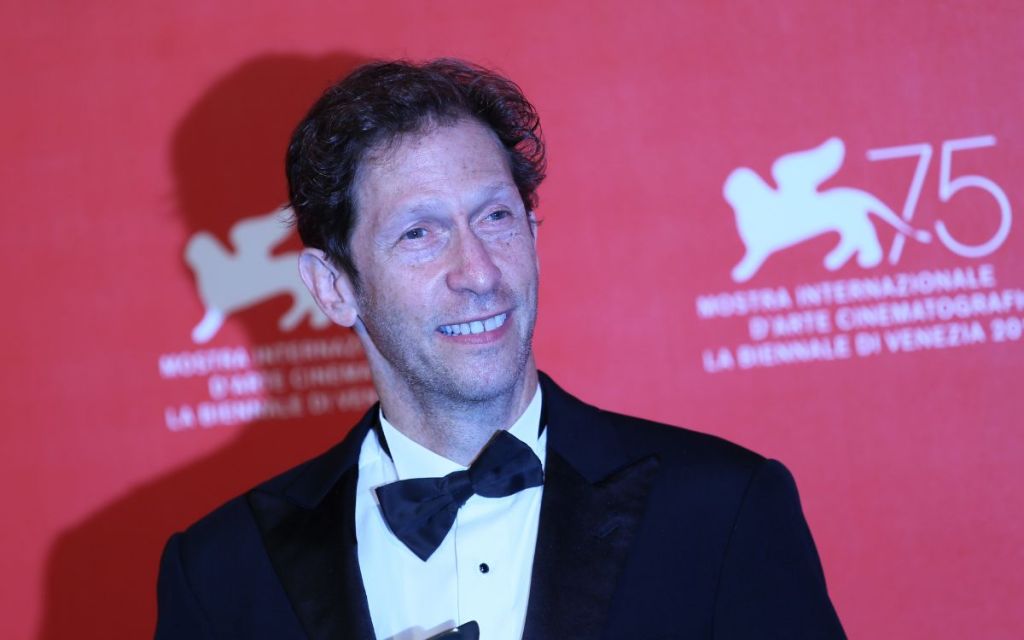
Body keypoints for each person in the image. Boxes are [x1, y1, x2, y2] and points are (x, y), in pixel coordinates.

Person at [155, 59, 846, 640]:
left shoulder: (720, 510)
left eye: (495, 217)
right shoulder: (222, 572)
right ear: (333, 288)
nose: (479, 271)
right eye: (419, 234)